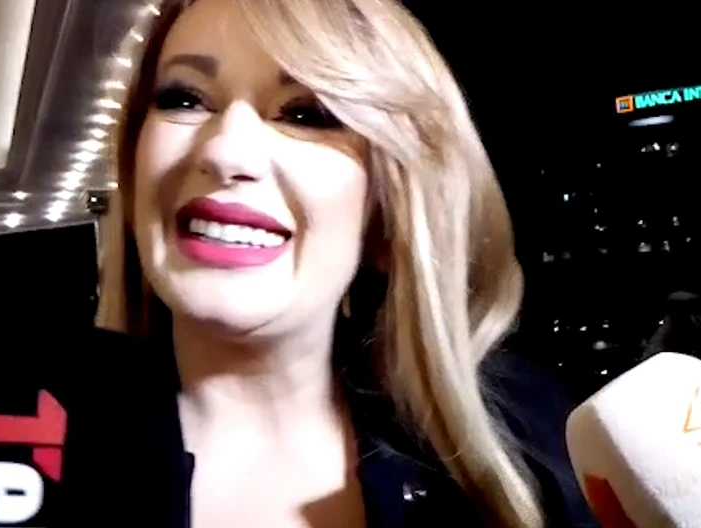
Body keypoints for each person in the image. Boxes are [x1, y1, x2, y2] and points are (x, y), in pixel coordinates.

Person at [92, 0, 598, 526]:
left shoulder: (535, 449)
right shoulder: (47, 451)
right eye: (185, 98)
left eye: (305, 113)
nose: (224, 152)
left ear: (389, 206)